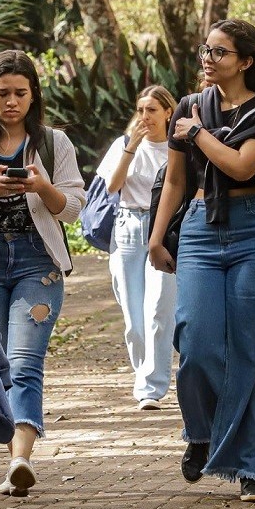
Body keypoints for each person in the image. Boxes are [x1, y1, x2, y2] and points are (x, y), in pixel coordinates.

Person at [148, 19, 255, 502]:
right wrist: (156, 237)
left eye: (220, 53)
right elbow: (173, 181)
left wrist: (198, 135)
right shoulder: (190, 107)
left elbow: (240, 166)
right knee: (196, 338)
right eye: (205, 50)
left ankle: (253, 467)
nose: (208, 60)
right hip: (199, 226)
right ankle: (202, 432)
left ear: (246, 61)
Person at [0, 50, 85, 496]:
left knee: (24, 361)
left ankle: (20, 458)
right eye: (2, 93)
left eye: (20, 92)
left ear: (33, 95)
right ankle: (11, 454)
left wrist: (42, 186)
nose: (11, 102)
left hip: (40, 266)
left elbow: (73, 209)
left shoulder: (55, 143)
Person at [95, 85, 179, 409]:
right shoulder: (124, 144)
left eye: (152, 110)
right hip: (129, 229)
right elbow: (112, 187)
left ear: (168, 112)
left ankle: (150, 388)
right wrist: (131, 147)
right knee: (134, 319)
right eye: (141, 109)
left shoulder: (177, 147)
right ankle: (145, 373)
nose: (145, 116)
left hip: (164, 229)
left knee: (159, 309)